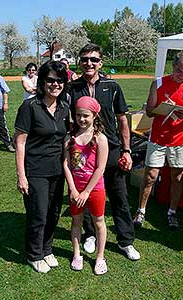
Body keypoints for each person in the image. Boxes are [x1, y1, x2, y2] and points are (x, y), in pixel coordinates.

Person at [69, 43, 140, 260]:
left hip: (111, 150)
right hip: (84, 153)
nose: (88, 63)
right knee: (87, 195)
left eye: (93, 60)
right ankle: (90, 234)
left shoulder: (113, 86)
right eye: (84, 59)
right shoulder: (72, 88)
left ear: (101, 63)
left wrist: (126, 150)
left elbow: (122, 120)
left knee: (119, 196)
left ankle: (125, 241)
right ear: (79, 62)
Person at [14, 60, 69, 273]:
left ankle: (47, 249)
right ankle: (34, 254)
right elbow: (20, 142)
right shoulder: (30, 106)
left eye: (60, 81)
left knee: (54, 212)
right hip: (35, 170)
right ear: (42, 81)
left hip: (58, 170)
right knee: (38, 213)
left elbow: (65, 138)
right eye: (50, 80)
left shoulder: (64, 107)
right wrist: (21, 175)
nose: (55, 84)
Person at [133, 52, 183, 230]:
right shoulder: (158, 83)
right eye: (180, 71)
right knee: (150, 176)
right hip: (158, 138)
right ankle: (141, 211)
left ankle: (172, 212)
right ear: (173, 67)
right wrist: (162, 109)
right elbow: (149, 111)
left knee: (178, 177)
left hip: (181, 139)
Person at [63, 96, 108, 275]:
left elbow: (100, 167)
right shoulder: (69, 137)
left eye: (86, 116)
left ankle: (100, 257)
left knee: (99, 222)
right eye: (78, 115)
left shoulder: (100, 139)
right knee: (76, 221)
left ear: (95, 116)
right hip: (75, 189)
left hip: (95, 189)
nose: (82, 119)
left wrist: (86, 192)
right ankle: (76, 254)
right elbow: (66, 164)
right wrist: (74, 190)